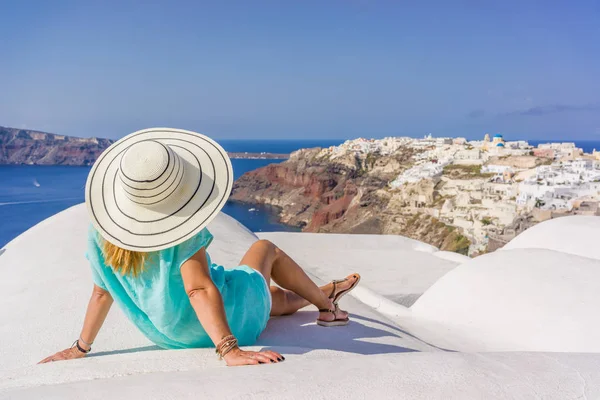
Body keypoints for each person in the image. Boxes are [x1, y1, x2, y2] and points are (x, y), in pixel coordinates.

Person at [39, 128, 360, 367]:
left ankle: (325, 290)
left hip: (171, 336)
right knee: (265, 249)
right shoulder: (178, 229)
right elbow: (198, 290)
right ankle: (327, 308)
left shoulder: (100, 235)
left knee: (271, 299)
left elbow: (101, 293)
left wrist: (80, 348)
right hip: (228, 325)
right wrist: (229, 349)